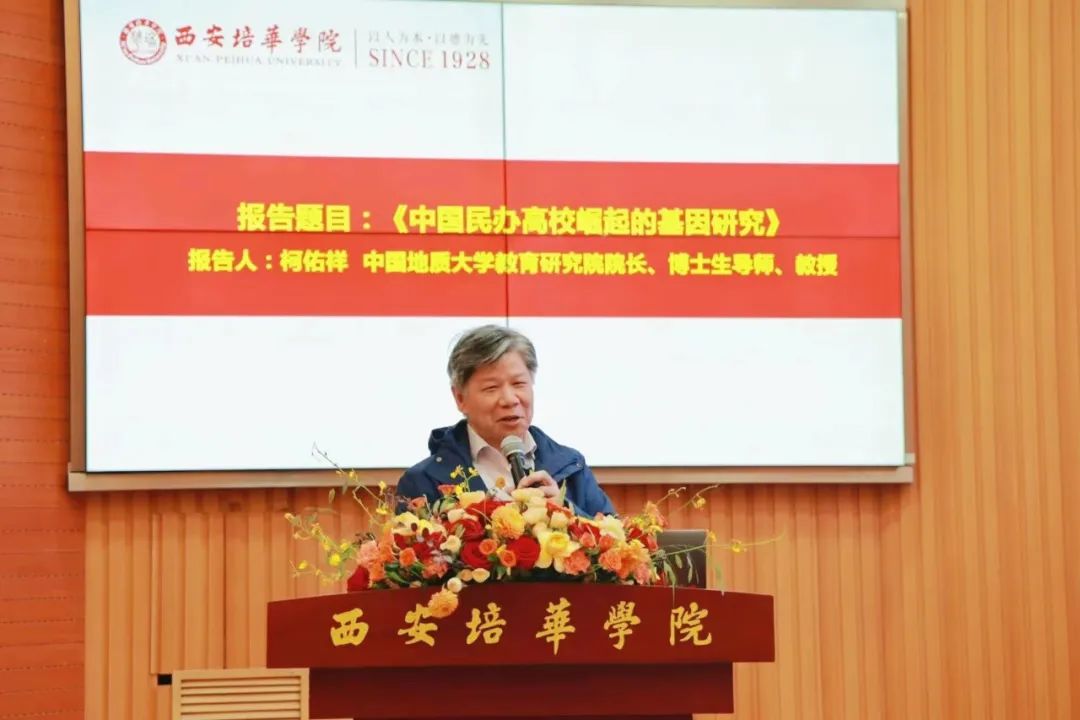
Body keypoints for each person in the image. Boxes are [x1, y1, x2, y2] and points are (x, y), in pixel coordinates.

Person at [396, 324, 617, 518]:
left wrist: (566, 511)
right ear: (460, 398)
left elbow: (618, 543)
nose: (510, 400)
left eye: (519, 384)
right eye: (491, 388)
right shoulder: (424, 482)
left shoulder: (571, 465)